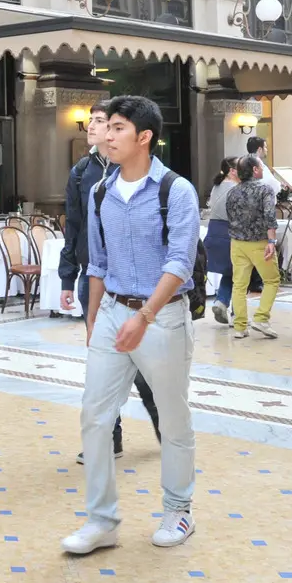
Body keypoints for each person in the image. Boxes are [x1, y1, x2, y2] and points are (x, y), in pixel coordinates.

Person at [62, 95, 199, 556]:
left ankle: (178, 510)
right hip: (112, 313)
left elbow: (180, 261)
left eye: (118, 128)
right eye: (107, 127)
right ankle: (102, 520)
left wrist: (144, 317)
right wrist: (94, 317)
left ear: (144, 138)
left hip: (162, 317)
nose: (107, 134)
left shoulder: (175, 190)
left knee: (173, 416)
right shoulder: (100, 190)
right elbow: (97, 262)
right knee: (95, 417)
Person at [60, 103, 161, 460]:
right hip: (95, 276)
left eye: (103, 121)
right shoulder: (81, 172)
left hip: (135, 283)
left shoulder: (136, 172)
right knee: (101, 363)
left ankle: (163, 420)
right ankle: (109, 438)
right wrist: (66, 277)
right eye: (92, 120)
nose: (93, 126)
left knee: (140, 362)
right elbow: (73, 227)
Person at [226, 156, 281, 339]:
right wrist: (271, 241)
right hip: (260, 242)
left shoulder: (232, 192)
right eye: (261, 167)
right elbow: (269, 216)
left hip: (237, 243)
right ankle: (261, 318)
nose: (263, 170)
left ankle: (240, 326)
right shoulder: (265, 189)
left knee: (239, 285)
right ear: (255, 170)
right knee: (272, 280)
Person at [204, 157, 240, 324]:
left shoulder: (216, 186)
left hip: (214, 231)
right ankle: (237, 314)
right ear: (232, 170)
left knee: (230, 272)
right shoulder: (237, 188)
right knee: (240, 273)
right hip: (231, 233)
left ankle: (222, 301)